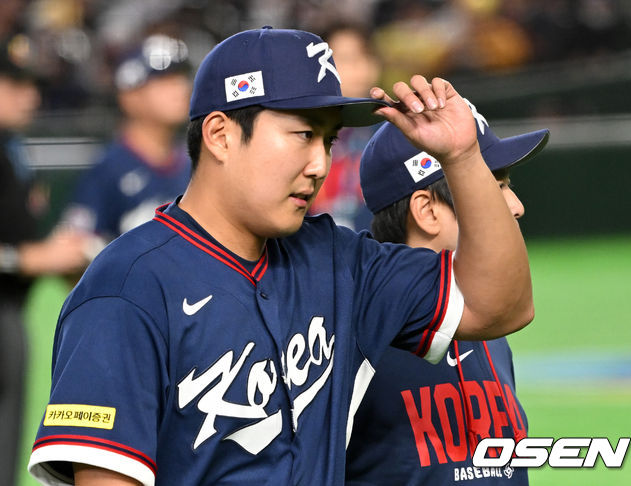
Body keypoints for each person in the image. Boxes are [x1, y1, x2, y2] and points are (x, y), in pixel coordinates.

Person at [29, 27, 534, 486]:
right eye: (303, 134)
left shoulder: (340, 261)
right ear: (221, 135)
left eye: (328, 140)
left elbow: (499, 307)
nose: (320, 164)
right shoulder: (126, 288)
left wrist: (463, 159)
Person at [346, 100, 549, 485]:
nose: (517, 206)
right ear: (428, 211)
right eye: (495, 186)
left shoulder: (490, 326)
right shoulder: (355, 330)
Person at [0, 38, 89, 486]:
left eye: (31, 85)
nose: (30, 97)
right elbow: (22, 252)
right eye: (14, 84)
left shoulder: (11, 147)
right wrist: (27, 257)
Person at [60, 34, 192, 247]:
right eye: (164, 81)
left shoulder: (195, 162)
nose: (181, 89)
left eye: (181, 78)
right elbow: (75, 248)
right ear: (130, 96)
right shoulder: (108, 169)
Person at [308, 22, 381, 230]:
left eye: (366, 56)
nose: (361, 67)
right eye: (347, 58)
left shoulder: (390, 133)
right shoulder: (298, 134)